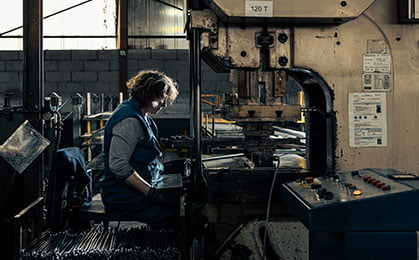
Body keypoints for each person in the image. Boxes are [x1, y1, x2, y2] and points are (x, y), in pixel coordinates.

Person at [101, 70, 179, 227]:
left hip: (136, 191)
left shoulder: (143, 115)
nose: (164, 104)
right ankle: (162, 249)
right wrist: (150, 192)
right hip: (123, 196)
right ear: (148, 95)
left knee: (179, 206)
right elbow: (118, 166)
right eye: (161, 99)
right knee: (176, 216)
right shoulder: (130, 120)